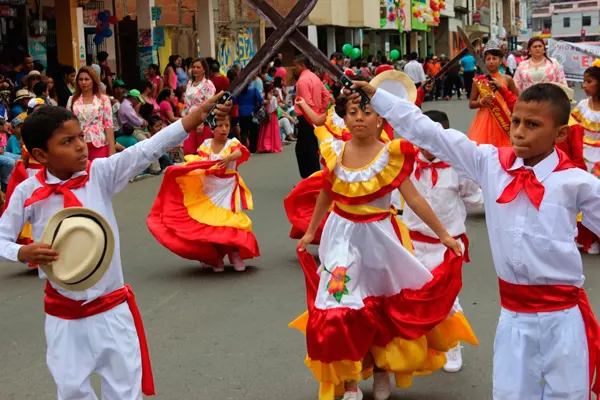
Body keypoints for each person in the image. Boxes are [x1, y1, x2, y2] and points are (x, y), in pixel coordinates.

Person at [349, 78, 600, 400]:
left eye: (533, 124)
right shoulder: (490, 163)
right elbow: (430, 133)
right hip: (513, 316)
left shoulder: (576, 182)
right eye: (516, 122)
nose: (519, 131)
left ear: (561, 133)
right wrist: (379, 97)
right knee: (511, 394)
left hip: (563, 317)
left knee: (566, 395)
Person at [0, 92, 231, 399]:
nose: (81, 145)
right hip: (63, 317)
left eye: (80, 136)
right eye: (67, 142)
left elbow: (148, 149)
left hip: (111, 310)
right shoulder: (28, 192)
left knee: (125, 391)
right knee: (71, 391)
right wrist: (21, 251)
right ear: (41, 155)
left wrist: (192, 118)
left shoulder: (100, 175)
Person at [294, 92, 472, 400]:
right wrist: (311, 232)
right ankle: (349, 381)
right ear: (345, 118)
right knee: (339, 306)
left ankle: (381, 370)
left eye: (366, 111)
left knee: (380, 309)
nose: (359, 117)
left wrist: (444, 235)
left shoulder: (391, 155)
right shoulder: (335, 151)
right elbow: (326, 192)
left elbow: (414, 199)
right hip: (342, 240)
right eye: (352, 112)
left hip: (380, 239)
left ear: (380, 120)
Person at [403, 110, 483, 373]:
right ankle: (422, 345)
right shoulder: (404, 163)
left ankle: (451, 345)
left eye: (437, 137)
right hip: (412, 241)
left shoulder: (458, 168)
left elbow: (474, 197)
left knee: (447, 298)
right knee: (413, 296)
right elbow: (393, 199)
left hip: (448, 244)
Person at [147, 114, 259, 272]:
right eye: (220, 126)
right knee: (211, 223)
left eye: (227, 125)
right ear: (213, 128)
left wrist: (229, 158)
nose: (224, 129)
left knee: (231, 222)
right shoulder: (207, 144)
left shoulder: (233, 143)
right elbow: (201, 162)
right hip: (210, 189)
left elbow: (242, 152)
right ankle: (216, 258)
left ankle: (235, 255)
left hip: (228, 188)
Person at [569, 61, 600, 255]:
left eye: (589, 81)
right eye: (584, 81)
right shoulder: (582, 106)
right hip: (584, 157)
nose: (584, 86)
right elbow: (571, 129)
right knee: (582, 199)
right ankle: (585, 238)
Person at [467, 40, 519, 148]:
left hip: (504, 117)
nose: (491, 62)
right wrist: (482, 102)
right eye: (488, 59)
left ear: (501, 61)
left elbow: (517, 99)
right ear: (484, 61)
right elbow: (471, 103)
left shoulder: (507, 79)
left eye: (494, 58)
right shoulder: (478, 80)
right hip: (484, 119)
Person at [293, 54, 330, 178]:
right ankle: (313, 177)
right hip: (314, 116)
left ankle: (309, 178)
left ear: (302, 65)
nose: (293, 68)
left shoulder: (302, 80)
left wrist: (313, 115)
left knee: (304, 150)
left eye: (295, 65)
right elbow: (327, 95)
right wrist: (320, 110)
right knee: (311, 148)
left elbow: (307, 102)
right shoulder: (314, 77)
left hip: (306, 117)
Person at [67, 66, 115, 160]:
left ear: (93, 81)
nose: (83, 82)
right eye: (80, 79)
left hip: (99, 144)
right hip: (78, 145)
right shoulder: (72, 100)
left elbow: (108, 125)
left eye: (86, 79)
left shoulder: (103, 99)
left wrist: (112, 150)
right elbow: (68, 124)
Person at [182, 58, 216, 155]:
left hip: (202, 122)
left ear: (204, 69)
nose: (195, 69)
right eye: (193, 67)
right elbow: (186, 103)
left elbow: (209, 105)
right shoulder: (190, 83)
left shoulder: (208, 85)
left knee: (203, 152)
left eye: (198, 67)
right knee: (189, 151)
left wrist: (201, 123)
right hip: (189, 120)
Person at [234, 83, 263, 152]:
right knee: (254, 132)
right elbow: (260, 99)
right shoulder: (254, 90)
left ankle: (244, 147)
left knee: (244, 132)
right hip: (252, 113)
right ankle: (253, 149)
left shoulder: (239, 91)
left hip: (242, 113)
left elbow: (235, 101)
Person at [257, 83, 282, 153]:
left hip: (265, 116)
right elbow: (275, 108)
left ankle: (264, 146)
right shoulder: (273, 98)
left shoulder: (263, 96)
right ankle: (271, 146)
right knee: (273, 132)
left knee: (264, 131)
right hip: (273, 116)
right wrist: (278, 113)